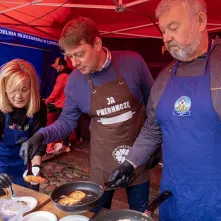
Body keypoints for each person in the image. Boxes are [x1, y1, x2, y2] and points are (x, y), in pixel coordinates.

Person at [20, 16, 155, 212]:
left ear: (97, 43)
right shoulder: (75, 81)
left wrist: (155, 148)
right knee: (97, 212)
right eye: (69, 56)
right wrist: (41, 135)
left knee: (138, 211)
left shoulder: (133, 62)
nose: (74, 63)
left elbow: (153, 107)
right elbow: (67, 122)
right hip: (102, 160)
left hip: (138, 156)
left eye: (79, 54)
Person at [107, 0, 221, 220]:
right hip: (174, 194)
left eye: (173, 28)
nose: (166, 38)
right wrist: (129, 164)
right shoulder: (164, 77)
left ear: (201, 21)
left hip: (215, 200)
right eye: (163, 30)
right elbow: (152, 130)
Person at [0, 59, 47, 189]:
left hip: (27, 161)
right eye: (12, 90)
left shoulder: (39, 106)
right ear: (4, 89)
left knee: (30, 197)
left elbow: (39, 140)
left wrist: (36, 168)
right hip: (2, 161)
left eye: (24, 89)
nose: (18, 96)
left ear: (32, 88)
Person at [45, 57, 72, 148]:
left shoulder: (62, 76)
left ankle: (65, 144)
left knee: (62, 124)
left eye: (56, 66)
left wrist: (47, 100)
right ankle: (66, 142)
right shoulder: (70, 75)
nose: (55, 68)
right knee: (65, 123)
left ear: (61, 66)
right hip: (67, 103)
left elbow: (56, 91)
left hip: (61, 104)